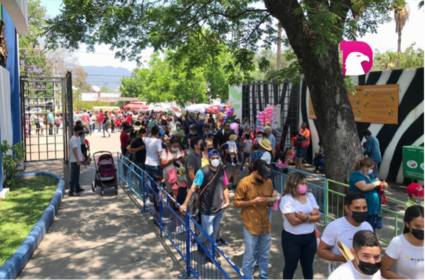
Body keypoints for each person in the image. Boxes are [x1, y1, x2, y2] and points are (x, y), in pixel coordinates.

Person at [180, 149, 230, 263]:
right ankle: (198, 241)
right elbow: (193, 188)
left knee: (215, 230)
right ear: (209, 159)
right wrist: (185, 203)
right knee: (208, 231)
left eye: (217, 158)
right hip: (206, 208)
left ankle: (210, 254)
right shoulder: (202, 172)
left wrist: (227, 201)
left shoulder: (222, 171)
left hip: (220, 207)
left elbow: (225, 187)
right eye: (213, 158)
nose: (216, 160)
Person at [233, 160, 275, 280]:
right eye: (263, 177)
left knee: (264, 255)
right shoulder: (244, 182)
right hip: (250, 225)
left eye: (267, 178)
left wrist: (271, 202)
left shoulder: (268, 182)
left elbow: (270, 200)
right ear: (256, 173)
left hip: (265, 224)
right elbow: (236, 203)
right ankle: (247, 277)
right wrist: (253, 202)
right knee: (249, 256)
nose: (265, 180)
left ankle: (263, 276)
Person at [317, 192, 373, 275]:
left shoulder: (368, 227)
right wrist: (344, 259)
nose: (361, 211)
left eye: (364, 208)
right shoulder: (334, 226)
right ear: (347, 209)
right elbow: (321, 251)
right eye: (357, 208)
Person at [279, 172, 321, 280]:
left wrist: (305, 217)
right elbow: (293, 221)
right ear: (293, 184)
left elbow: (318, 216)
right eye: (302, 183)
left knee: (308, 267)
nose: (305, 186)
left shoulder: (310, 196)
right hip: (292, 239)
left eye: (306, 183)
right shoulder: (286, 199)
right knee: (290, 267)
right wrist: (311, 214)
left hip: (310, 238)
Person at [381, 205, 425, 280]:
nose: (422, 230)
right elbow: (384, 270)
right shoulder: (398, 242)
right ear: (407, 224)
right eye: (417, 226)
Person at [349, 158, 388, 232]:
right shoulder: (356, 174)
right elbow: (364, 187)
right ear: (365, 167)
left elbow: (379, 182)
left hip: (373, 209)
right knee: (360, 228)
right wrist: (377, 183)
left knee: (371, 229)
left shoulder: (371, 174)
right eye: (371, 168)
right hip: (361, 208)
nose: (372, 170)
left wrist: (384, 185)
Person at [142, 126, 163, 196]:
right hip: (155, 163)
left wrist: (149, 131)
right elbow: (159, 153)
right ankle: (156, 196)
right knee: (157, 181)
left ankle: (149, 194)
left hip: (147, 162)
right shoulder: (158, 141)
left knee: (149, 180)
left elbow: (143, 135)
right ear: (158, 133)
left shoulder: (146, 139)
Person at [184, 136, 203, 218]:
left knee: (198, 211)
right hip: (193, 188)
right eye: (201, 143)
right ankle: (191, 229)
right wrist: (198, 185)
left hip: (199, 187)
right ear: (195, 146)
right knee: (192, 212)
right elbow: (191, 174)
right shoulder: (192, 156)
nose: (203, 144)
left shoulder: (200, 155)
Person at [69, 125, 85, 196]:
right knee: (74, 175)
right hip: (74, 160)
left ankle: (77, 187)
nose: (81, 132)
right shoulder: (73, 139)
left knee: (77, 174)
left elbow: (79, 149)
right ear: (76, 131)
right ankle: (71, 190)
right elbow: (74, 150)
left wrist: (82, 156)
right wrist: (78, 160)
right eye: (80, 131)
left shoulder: (77, 138)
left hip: (78, 159)